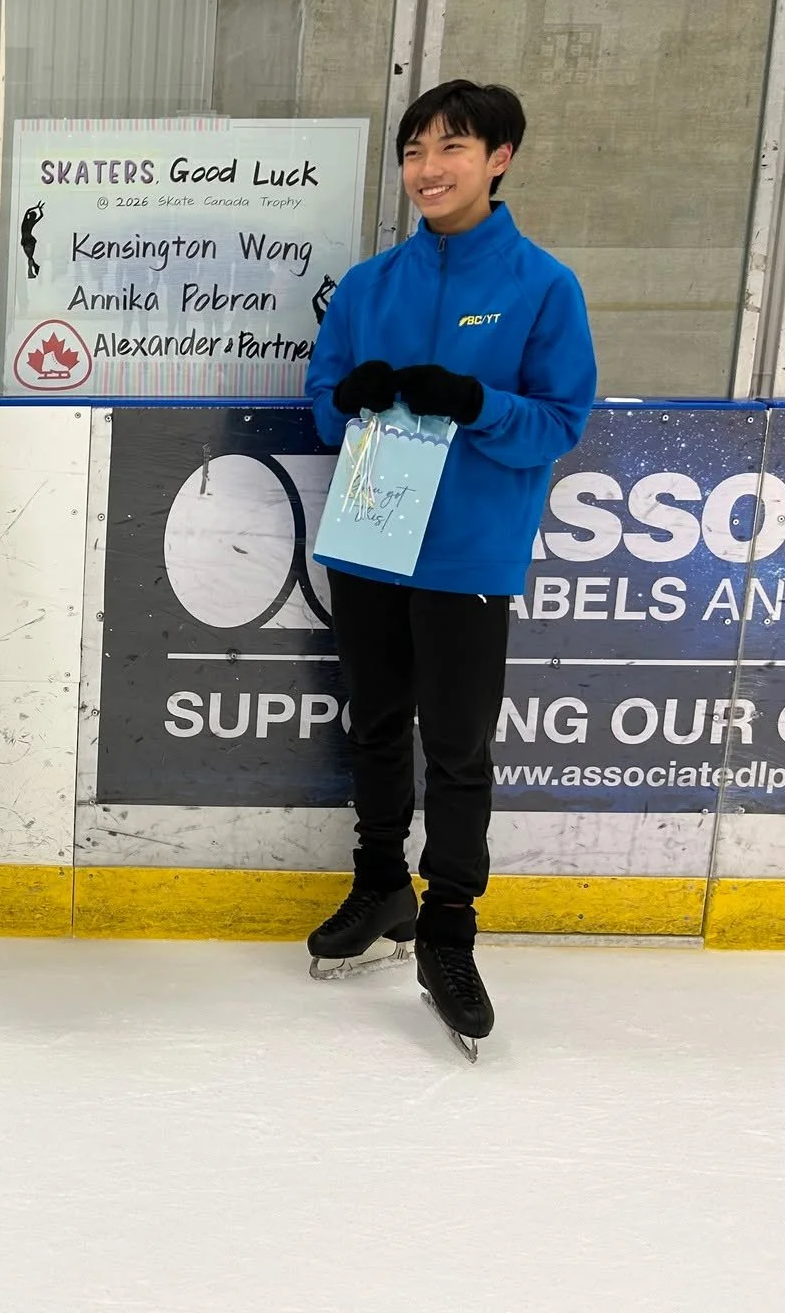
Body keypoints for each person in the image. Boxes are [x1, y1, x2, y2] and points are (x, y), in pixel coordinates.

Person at [303, 81, 596, 1055]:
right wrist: (348, 397)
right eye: (414, 149)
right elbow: (318, 403)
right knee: (377, 723)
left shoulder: (539, 287)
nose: (427, 168)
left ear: (498, 157)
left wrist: (473, 403)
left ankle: (447, 931)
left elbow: (556, 422)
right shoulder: (367, 286)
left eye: (451, 147)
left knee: (458, 747)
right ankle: (379, 884)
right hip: (368, 541)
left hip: (464, 556)